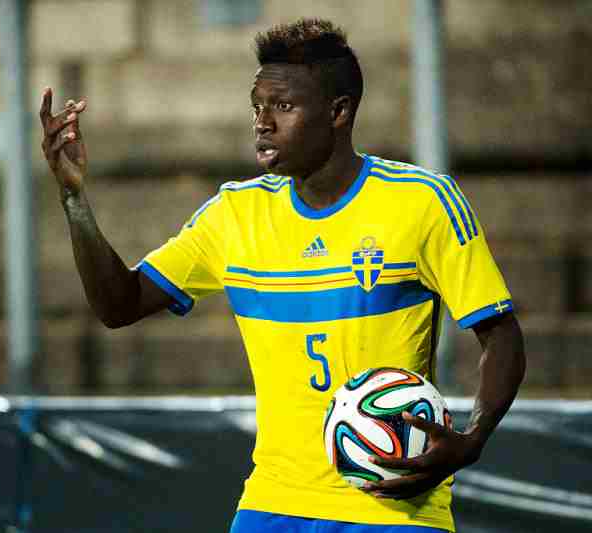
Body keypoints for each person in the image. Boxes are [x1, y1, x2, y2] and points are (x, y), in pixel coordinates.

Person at [39, 17, 525, 533]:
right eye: (257, 107)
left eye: (283, 106)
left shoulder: (422, 202)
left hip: (393, 507)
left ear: (338, 112)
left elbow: (501, 335)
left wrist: (473, 440)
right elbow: (119, 304)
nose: (262, 123)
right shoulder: (234, 214)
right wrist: (73, 196)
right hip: (273, 502)